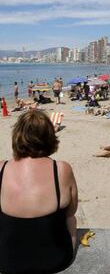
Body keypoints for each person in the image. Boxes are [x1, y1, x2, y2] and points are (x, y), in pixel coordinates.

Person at [0, 110, 78, 273]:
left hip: (6, 261)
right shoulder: (61, 169)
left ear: (17, 136)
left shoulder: (1, 168)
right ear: (50, 137)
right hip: (56, 260)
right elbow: (71, 211)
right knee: (70, 218)